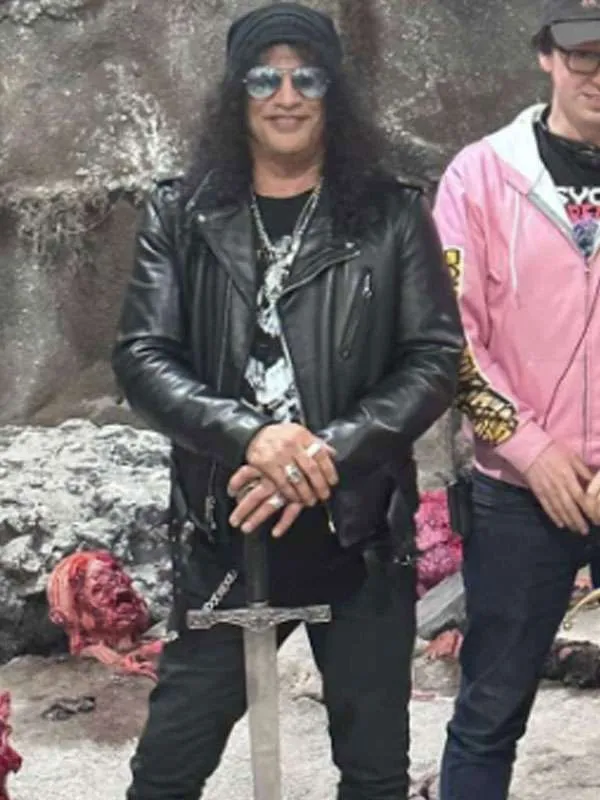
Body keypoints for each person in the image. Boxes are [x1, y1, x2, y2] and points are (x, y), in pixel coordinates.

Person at [111, 3, 462, 798]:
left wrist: (323, 452)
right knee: (165, 771)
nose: (286, 96)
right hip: (226, 532)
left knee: (374, 775)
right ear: (236, 92)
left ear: (333, 90)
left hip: (359, 534)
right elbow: (141, 356)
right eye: (263, 78)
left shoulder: (392, 214)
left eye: (307, 77)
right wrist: (252, 437)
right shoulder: (182, 213)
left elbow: (433, 360)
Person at [433, 2, 600, 798]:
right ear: (546, 55)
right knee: (491, 708)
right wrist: (531, 451)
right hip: (516, 493)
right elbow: (449, 336)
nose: (598, 74)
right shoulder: (481, 176)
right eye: (583, 53)